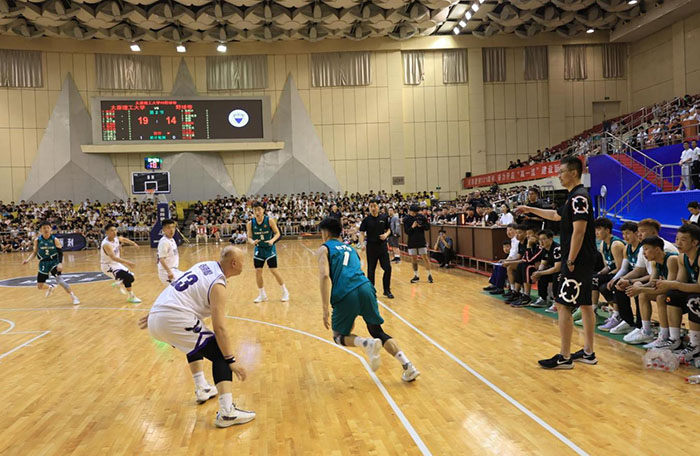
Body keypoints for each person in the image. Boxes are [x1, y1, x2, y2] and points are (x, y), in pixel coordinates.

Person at [140, 246, 255, 427]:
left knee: (196, 340)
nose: (244, 264)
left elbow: (177, 287)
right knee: (220, 353)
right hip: (173, 318)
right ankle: (227, 413)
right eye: (242, 261)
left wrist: (156, 314)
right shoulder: (218, 285)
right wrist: (231, 360)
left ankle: (202, 387)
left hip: (157, 315)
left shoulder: (204, 265)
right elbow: (220, 328)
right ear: (234, 263)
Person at [516, 156, 599, 369]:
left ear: (573, 172)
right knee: (586, 304)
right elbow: (555, 215)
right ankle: (588, 352)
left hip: (577, 260)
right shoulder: (574, 197)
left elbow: (579, 231)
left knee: (563, 305)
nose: (558, 176)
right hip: (582, 258)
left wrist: (570, 259)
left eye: (561, 172)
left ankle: (564, 357)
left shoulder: (579, 198)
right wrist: (530, 209)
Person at [315, 217, 420, 382]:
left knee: (338, 336)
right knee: (378, 331)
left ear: (326, 233)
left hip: (345, 292)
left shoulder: (324, 248)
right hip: (365, 287)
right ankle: (408, 366)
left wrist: (325, 309)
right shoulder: (351, 248)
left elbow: (324, 275)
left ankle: (366, 343)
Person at [653, 223, 700, 360]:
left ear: (695, 242)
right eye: (677, 239)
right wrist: (666, 284)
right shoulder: (682, 257)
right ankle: (675, 339)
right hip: (694, 291)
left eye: (683, 240)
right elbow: (680, 283)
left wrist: (673, 284)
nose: (678, 243)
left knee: (693, 300)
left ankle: (696, 344)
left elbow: (698, 287)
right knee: (672, 295)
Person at [625, 236, 679, 347]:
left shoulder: (671, 260)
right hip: (670, 291)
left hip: (680, 292)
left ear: (657, 249)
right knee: (643, 295)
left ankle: (664, 335)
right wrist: (637, 285)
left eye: (646, 249)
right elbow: (651, 283)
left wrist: (640, 288)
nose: (643, 253)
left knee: (661, 297)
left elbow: (669, 288)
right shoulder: (655, 263)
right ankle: (646, 331)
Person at [22, 220, 80, 305]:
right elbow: (34, 252)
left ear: (50, 229)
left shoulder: (54, 239)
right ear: (40, 230)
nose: (46, 229)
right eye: (44, 228)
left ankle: (73, 296)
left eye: (48, 228)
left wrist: (60, 263)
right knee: (40, 286)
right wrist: (27, 260)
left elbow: (60, 252)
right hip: (43, 263)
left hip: (54, 262)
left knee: (60, 281)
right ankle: (50, 287)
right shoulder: (37, 240)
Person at [247, 202, 289, 303]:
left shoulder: (269, 220)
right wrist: (252, 242)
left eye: (259, 209)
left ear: (263, 210)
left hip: (270, 249)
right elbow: (249, 237)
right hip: (259, 249)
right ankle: (262, 294)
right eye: (255, 210)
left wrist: (272, 240)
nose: (257, 212)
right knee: (258, 271)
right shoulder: (250, 223)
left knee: (274, 270)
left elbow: (277, 233)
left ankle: (285, 291)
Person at [359, 200, 393, 299]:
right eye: (371, 206)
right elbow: (361, 233)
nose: (373, 208)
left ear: (378, 207)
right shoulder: (366, 220)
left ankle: (386, 290)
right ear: (369, 208)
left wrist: (386, 235)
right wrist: (362, 243)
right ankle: (371, 291)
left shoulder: (384, 218)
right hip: (371, 247)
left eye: (375, 206)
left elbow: (389, 230)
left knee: (388, 268)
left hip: (382, 246)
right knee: (371, 270)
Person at [100, 223, 141, 304]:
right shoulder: (106, 244)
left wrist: (133, 243)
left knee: (131, 278)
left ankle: (119, 282)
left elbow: (123, 239)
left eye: (115, 230)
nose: (114, 232)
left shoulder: (115, 238)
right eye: (112, 231)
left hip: (116, 264)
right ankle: (131, 296)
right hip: (108, 266)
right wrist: (128, 262)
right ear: (107, 232)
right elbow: (113, 257)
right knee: (127, 277)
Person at [530, 230, 561, 308]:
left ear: (551, 238)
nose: (541, 242)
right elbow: (543, 263)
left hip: (561, 271)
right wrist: (538, 273)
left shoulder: (557, 249)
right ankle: (543, 298)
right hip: (553, 270)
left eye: (543, 239)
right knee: (541, 275)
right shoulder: (544, 249)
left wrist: (540, 273)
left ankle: (557, 302)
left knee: (556, 275)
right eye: (539, 240)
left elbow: (557, 268)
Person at [403, 204, 433, 284]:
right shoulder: (406, 219)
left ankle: (429, 274)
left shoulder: (421, 217)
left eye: (416, 212)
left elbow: (427, 227)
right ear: (410, 211)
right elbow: (406, 231)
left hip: (421, 240)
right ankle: (416, 275)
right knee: (414, 258)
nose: (415, 214)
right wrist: (412, 227)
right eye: (413, 212)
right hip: (412, 241)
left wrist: (421, 225)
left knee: (425, 257)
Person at [157, 219, 183, 285]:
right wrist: (169, 271)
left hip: (174, 270)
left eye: (173, 227)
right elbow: (161, 259)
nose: (171, 230)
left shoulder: (172, 239)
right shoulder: (164, 242)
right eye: (168, 228)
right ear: (164, 229)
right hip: (166, 272)